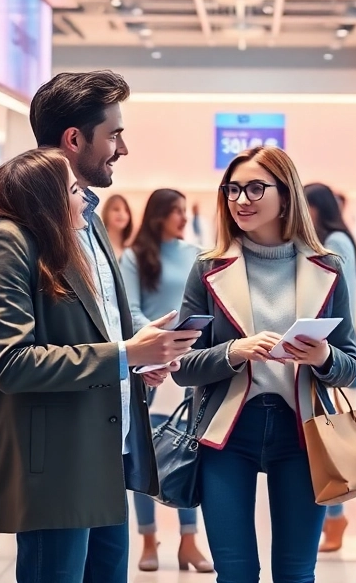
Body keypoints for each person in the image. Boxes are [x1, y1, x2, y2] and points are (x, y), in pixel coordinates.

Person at [0, 147, 202, 583]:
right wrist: (128, 354)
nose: (84, 200)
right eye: (74, 190)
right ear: (46, 199)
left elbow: (87, 334)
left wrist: (135, 364)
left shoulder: (77, 239)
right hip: (56, 462)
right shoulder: (8, 243)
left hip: (104, 450)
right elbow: (12, 362)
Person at [173, 146, 356, 583]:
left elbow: (351, 363)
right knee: (235, 574)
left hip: (303, 434)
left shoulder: (327, 267)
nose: (242, 200)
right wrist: (232, 352)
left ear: (287, 195)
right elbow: (181, 365)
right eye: (233, 189)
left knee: (296, 574)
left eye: (256, 188)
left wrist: (324, 357)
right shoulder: (208, 268)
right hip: (227, 434)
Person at [119, 189, 213, 574]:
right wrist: (161, 340)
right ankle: (148, 537)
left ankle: (189, 542)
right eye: (174, 211)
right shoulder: (133, 256)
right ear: (157, 216)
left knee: (190, 453)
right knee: (151, 455)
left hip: (190, 364)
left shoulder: (196, 254)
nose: (182, 218)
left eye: (183, 211)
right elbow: (131, 309)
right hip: (152, 365)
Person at [302, 183, 356, 553]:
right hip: (322, 344)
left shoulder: (337, 241)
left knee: (327, 436)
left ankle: (336, 514)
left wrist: (342, 344)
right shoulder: (323, 240)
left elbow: (346, 303)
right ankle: (334, 517)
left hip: (333, 345)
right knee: (324, 435)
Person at [101, 194, 134, 259]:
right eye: (116, 209)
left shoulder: (131, 251)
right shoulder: (98, 247)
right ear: (106, 213)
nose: (122, 214)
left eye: (126, 210)